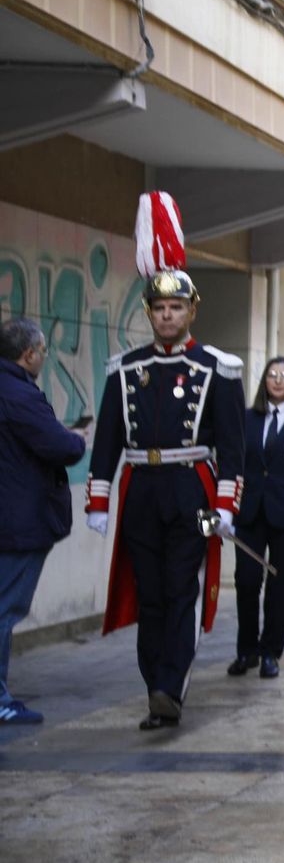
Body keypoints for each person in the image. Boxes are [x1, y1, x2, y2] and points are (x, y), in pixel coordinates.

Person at [85, 193, 246, 731]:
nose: (168, 315)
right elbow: (107, 438)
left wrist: (225, 504)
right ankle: (153, 679)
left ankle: (168, 688)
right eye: (159, 308)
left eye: (176, 307)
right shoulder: (125, 368)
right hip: (141, 492)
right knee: (150, 591)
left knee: (181, 587)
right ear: (149, 313)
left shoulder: (217, 368)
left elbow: (233, 444)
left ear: (191, 311)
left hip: (194, 490)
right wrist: (99, 496)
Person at [0, 318, 88, 725]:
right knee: (6, 609)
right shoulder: (20, 394)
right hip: (19, 523)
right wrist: (78, 439)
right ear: (29, 354)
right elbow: (60, 447)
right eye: (43, 352)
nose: (43, 358)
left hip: (12, 518)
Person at [228, 357, 284, 680]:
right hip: (250, 514)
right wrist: (228, 505)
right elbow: (235, 462)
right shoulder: (248, 418)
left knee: (278, 587)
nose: (278, 380)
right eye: (272, 375)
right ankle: (247, 650)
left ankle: (270, 653)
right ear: (264, 381)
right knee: (247, 581)